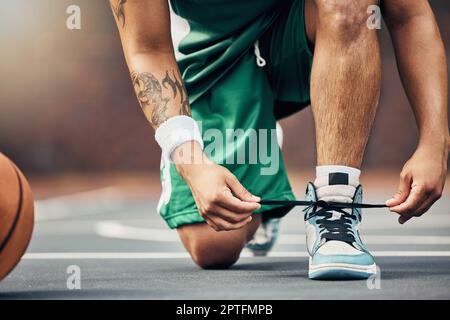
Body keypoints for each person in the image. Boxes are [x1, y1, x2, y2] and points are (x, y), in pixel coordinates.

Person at [110, 0, 448, 279]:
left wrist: (435, 143)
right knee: (214, 246)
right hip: (213, 58)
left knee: (349, 3)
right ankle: (262, 168)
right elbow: (146, 49)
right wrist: (193, 164)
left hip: (306, 34)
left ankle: (335, 206)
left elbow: (410, 15)